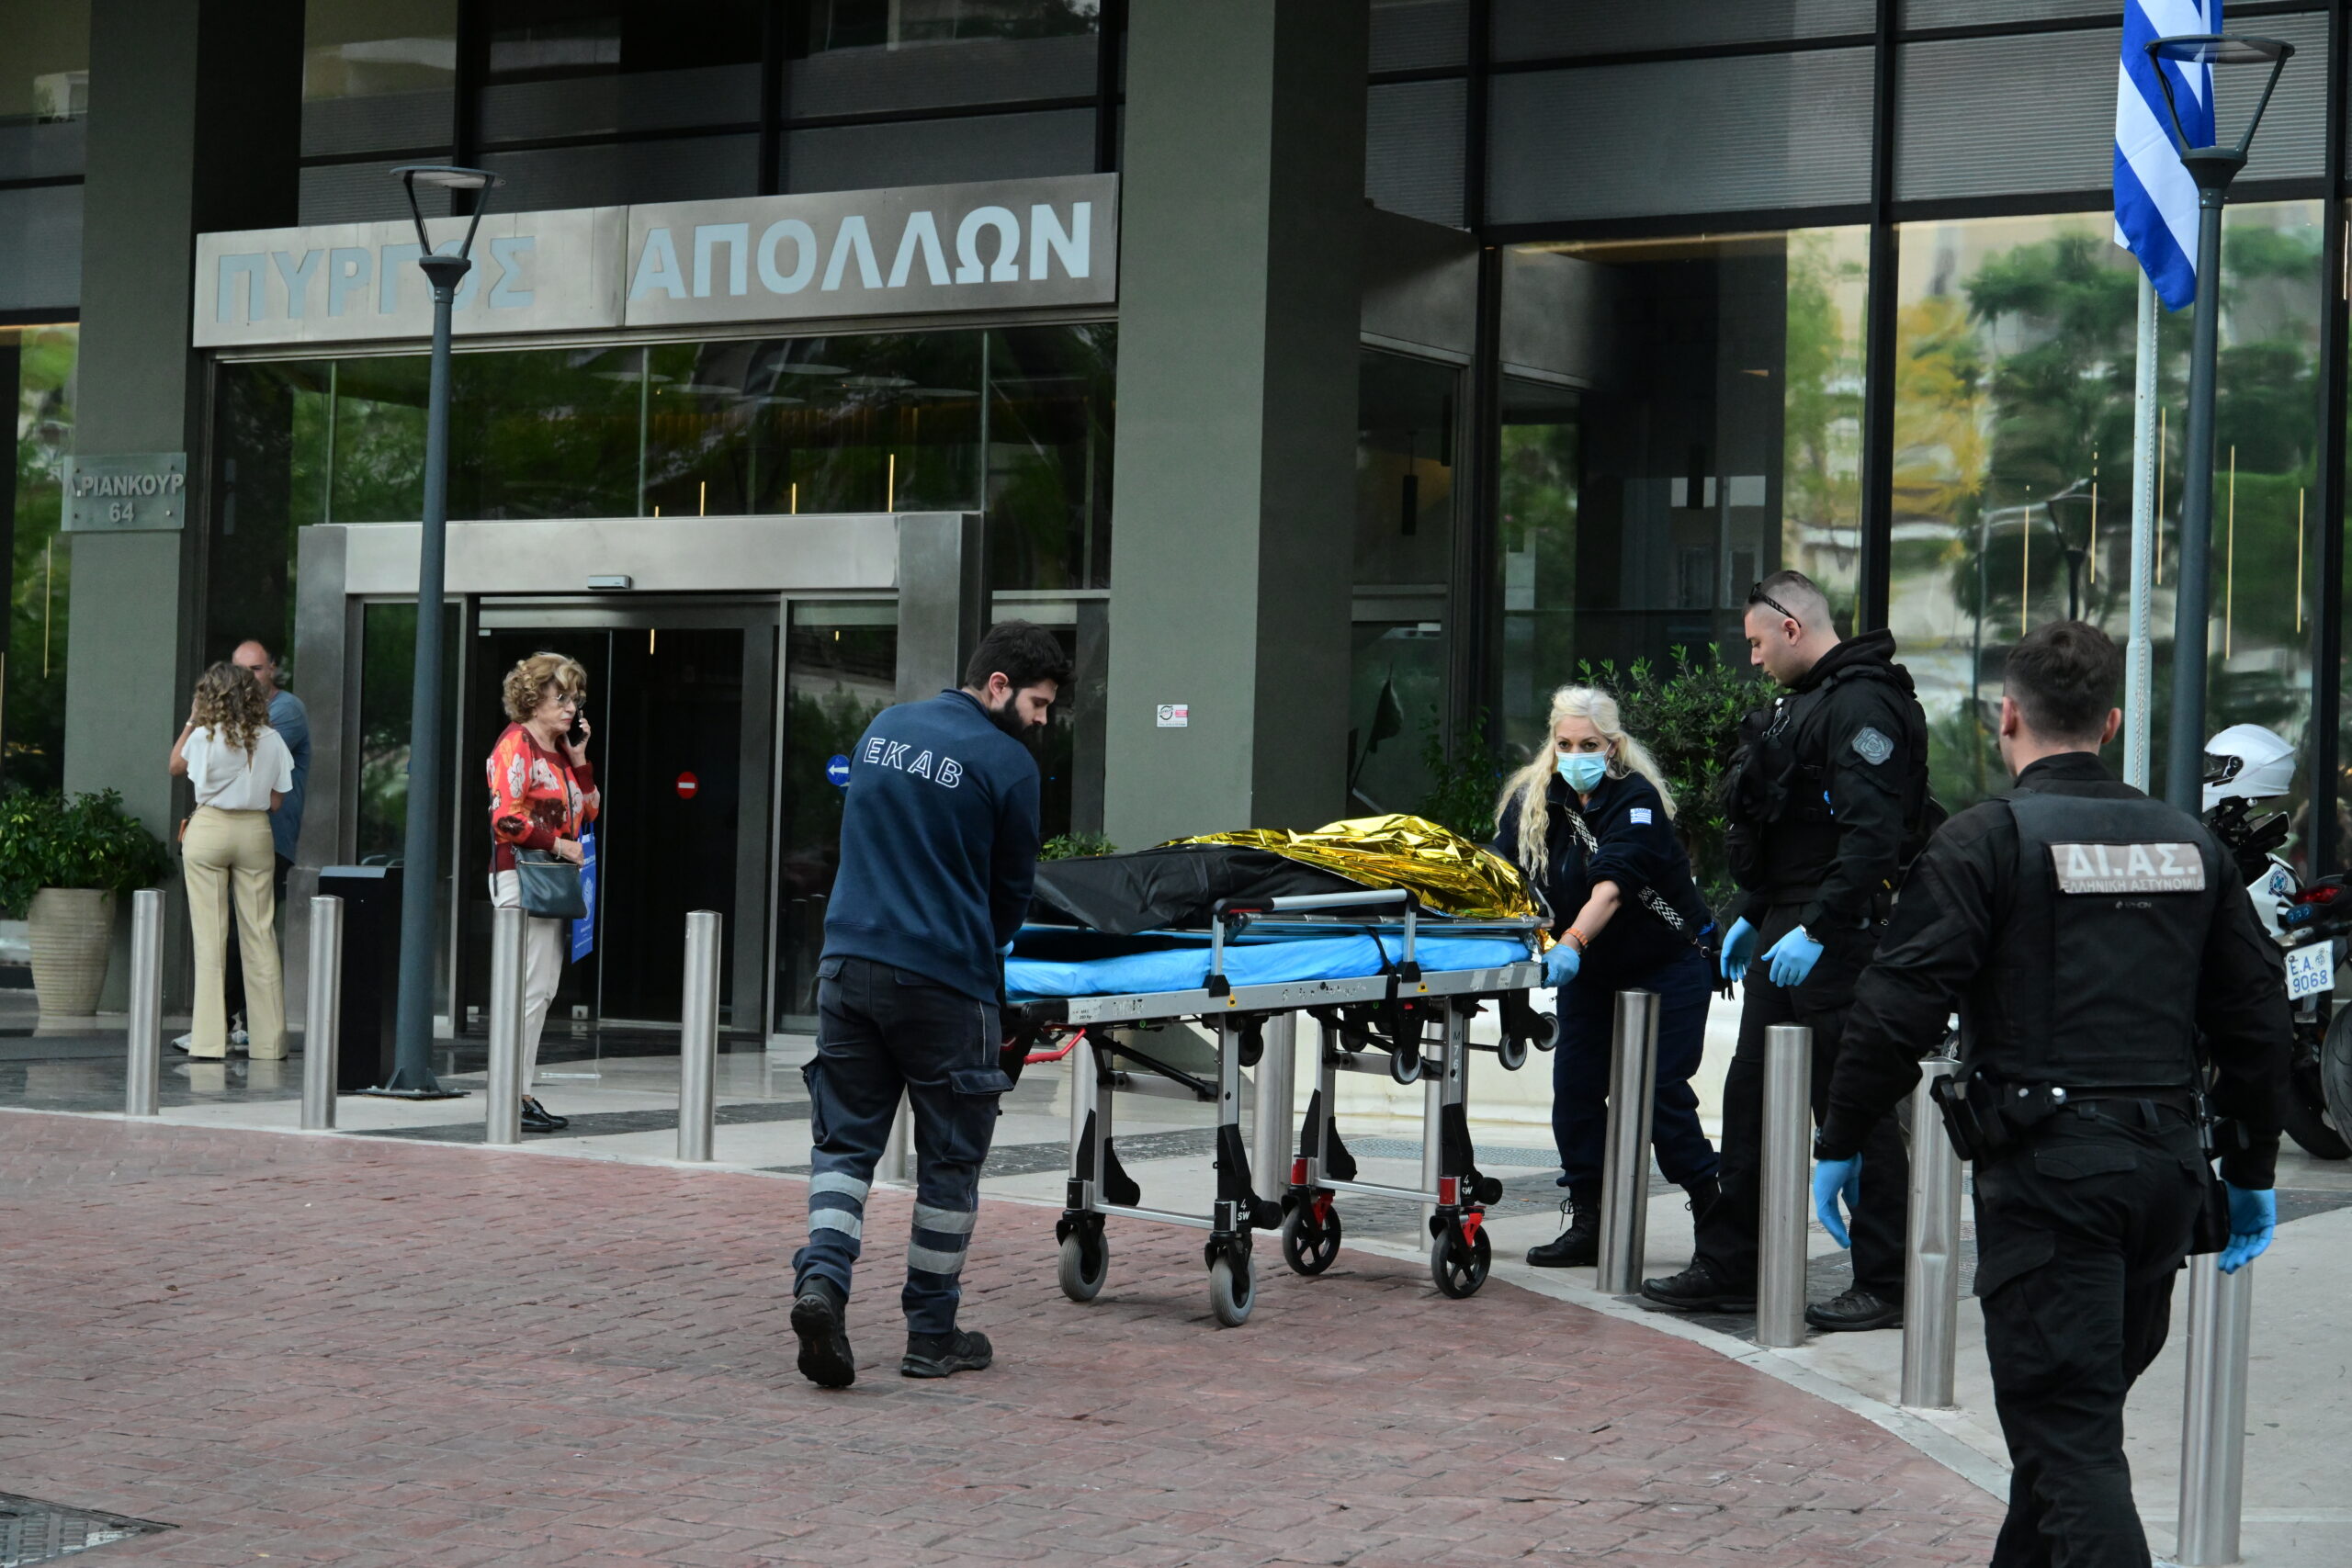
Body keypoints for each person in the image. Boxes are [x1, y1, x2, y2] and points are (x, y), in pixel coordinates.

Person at [1815, 622, 2286, 1568]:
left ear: (2007, 716)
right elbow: (2257, 1020)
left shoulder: (1986, 840)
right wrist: (2251, 1168)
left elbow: (1897, 1006)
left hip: (2052, 1185)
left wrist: (1841, 1138)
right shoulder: (2190, 843)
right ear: (2110, 723)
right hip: (2162, 1180)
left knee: (2069, 1445)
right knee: (2065, 1439)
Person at [1642, 570, 1933, 1331]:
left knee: (1852, 1104)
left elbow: (1872, 838)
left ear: (1792, 628)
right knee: (1752, 1099)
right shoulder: (1807, 702)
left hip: (1835, 932)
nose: (1754, 658)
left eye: (1757, 642)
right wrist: (1756, 911)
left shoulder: (1863, 703)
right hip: (1789, 924)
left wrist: (1821, 926)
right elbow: (1793, 828)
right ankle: (1733, 1265)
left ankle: (1886, 1281)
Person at [790, 620, 1068, 1389]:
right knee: (949, 1163)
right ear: (998, 685)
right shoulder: (1009, 765)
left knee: (844, 1148)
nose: (1044, 721)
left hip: (847, 967)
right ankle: (931, 1334)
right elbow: (1010, 894)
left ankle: (822, 1284)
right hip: (945, 984)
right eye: (1039, 703)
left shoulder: (884, 728)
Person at [1491, 684, 1721, 1267]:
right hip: (1593, 972)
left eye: (1589, 744)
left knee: (1659, 1092)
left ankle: (1716, 1219)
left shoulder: (1636, 799)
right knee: (1575, 1090)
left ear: (1612, 746)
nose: (1576, 754)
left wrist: (1570, 943)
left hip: (1667, 963)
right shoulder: (1534, 800)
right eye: (1565, 743)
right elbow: (1502, 873)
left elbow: (1612, 887)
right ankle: (1590, 1220)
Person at [485, 652, 600, 1134]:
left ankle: (519, 1091)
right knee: (529, 989)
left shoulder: (555, 750)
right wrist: (558, 844)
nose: (572, 708)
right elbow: (504, 818)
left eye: (575, 699)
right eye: (562, 697)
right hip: (524, 876)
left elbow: (590, 810)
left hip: (549, 879)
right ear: (534, 699)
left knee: (540, 990)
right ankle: (512, 1093)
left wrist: (580, 761)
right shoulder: (517, 744)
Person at [168, 663, 295, 1061]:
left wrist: (192, 719)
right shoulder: (272, 739)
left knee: (210, 937)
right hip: (255, 831)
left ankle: (208, 1042)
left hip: (209, 829)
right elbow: (277, 801)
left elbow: (175, 766)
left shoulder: (204, 736)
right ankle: (269, 1044)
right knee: (260, 934)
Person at [216, 639, 310, 1047]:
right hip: (236, 835)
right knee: (235, 931)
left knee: (247, 931)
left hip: (270, 838)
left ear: (272, 669)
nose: (248, 677)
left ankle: (230, 1024)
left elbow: (247, 760)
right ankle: (237, 1023)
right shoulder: (236, 715)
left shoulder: (287, 710)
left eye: (256, 669)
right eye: (240, 670)